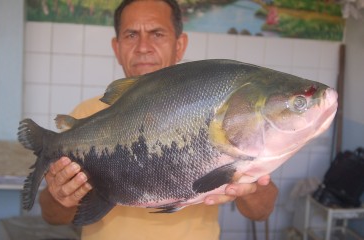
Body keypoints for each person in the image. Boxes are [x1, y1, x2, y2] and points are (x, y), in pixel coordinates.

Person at [39, 0, 278, 239]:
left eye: (157, 34)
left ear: (180, 45)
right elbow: (52, 217)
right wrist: (59, 197)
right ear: (117, 47)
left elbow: (262, 211)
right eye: (131, 35)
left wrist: (248, 184)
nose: (144, 47)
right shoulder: (87, 115)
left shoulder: (212, 110)